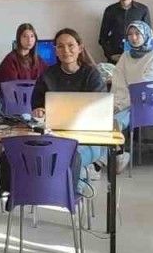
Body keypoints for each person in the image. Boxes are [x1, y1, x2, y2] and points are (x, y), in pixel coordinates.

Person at [31, 28, 108, 191]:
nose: (66, 50)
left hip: (89, 139)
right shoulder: (47, 75)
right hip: (55, 136)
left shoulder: (92, 75)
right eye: (60, 46)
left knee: (71, 157)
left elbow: (100, 110)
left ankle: (72, 196)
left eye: (70, 45)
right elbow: (37, 104)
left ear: (80, 48)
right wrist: (39, 111)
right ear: (56, 51)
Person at [111, 21, 153, 131]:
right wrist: (120, 102)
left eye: (137, 33)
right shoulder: (125, 56)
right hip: (126, 100)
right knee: (103, 114)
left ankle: (117, 130)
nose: (133, 37)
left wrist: (125, 102)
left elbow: (146, 86)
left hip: (148, 103)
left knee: (116, 120)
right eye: (130, 34)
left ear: (146, 34)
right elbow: (118, 81)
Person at [98, 0, 152, 64]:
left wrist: (141, 54)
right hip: (116, 59)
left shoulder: (143, 10)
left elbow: (148, 36)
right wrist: (110, 55)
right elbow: (102, 38)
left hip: (138, 59)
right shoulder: (110, 10)